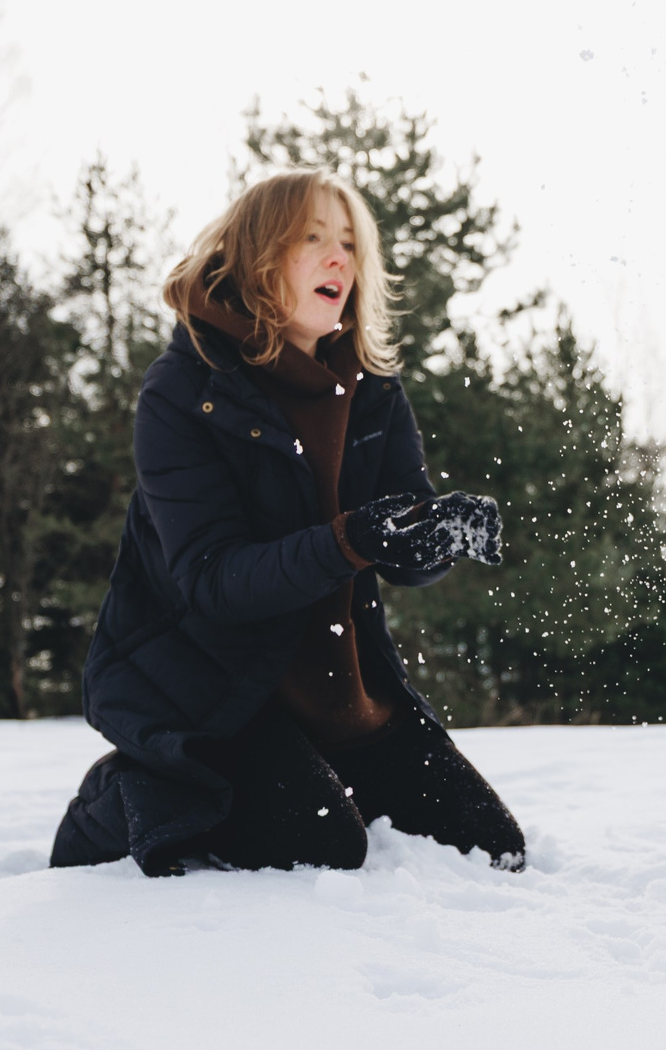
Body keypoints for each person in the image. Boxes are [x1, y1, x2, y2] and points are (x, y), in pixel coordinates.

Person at [47, 169, 524, 877]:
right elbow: (213, 580)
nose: (342, 260)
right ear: (259, 255)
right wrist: (350, 539)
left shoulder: (371, 390)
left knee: (491, 850)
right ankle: (124, 792)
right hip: (214, 698)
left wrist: (438, 533)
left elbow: (398, 542)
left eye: (349, 244)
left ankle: (316, 765)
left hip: (340, 694)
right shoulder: (184, 391)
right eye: (314, 240)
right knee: (323, 848)